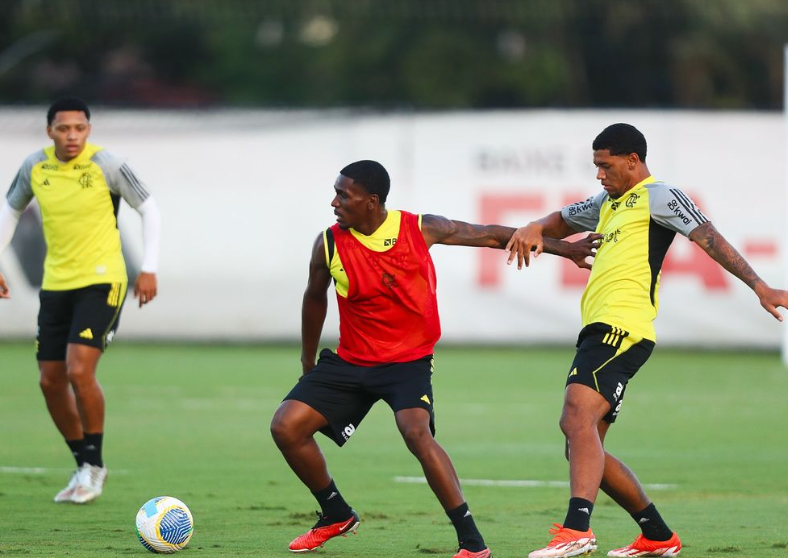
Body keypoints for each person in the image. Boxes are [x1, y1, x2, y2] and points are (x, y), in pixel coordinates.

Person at [270, 160, 600, 557]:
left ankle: (472, 543)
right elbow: (314, 297)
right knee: (286, 427)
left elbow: (493, 236)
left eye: (344, 195)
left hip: (407, 361)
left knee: (416, 433)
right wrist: (308, 362)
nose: (334, 202)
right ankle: (335, 513)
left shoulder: (420, 227)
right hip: (351, 361)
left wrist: (566, 249)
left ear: (372, 202)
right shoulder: (328, 244)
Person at [505, 123, 788, 558]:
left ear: (633, 160)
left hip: (623, 325)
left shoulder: (660, 196)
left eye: (605, 165)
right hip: (601, 326)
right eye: (596, 166)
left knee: (575, 416)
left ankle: (576, 528)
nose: (598, 175)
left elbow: (709, 239)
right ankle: (657, 535)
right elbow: (559, 220)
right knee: (581, 445)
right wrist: (532, 225)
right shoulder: (606, 202)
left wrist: (759, 286)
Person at [0, 97, 162, 504]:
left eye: (80, 128)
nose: (72, 135)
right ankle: (84, 466)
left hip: (103, 281)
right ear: (49, 131)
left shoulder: (108, 165)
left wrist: (149, 267)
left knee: (78, 369)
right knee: (49, 380)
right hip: (56, 284)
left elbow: (150, 209)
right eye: (64, 128)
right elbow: (10, 210)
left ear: (88, 130)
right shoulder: (34, 166)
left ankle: (94, 465)